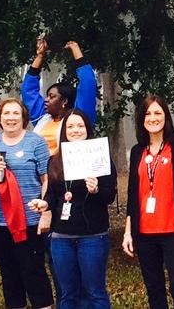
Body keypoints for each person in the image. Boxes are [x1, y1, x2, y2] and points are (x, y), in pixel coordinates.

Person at [29, 110, 117, 308]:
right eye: (70, 126)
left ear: (87, 129)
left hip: (92, 235)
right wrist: (44, 204)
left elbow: (109, 196)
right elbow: (52, 194)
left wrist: (95, 190)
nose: (75, 130)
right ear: (64, 131)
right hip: (62, 236)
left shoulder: (100, 157)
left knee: (94, 291)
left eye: (80, 126)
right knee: (68, 293)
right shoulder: (55, 160)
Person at [0, 98, 54, 309]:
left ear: (23, 117)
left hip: (29, 219)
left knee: (33, 271)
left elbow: (47, 179)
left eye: (15, 113)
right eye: (6, 113)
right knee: (8, 273)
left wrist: (46, 211)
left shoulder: (35, 142)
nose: (11, 118)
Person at [122, 95, 174, 309]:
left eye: (158, 113)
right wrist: (128, 232)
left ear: (166, 116)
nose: (153, 118)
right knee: (154, 289)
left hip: (173, 231)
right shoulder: (138, 151)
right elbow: (132, 193)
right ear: (141, 118)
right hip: (144, 232)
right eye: (148, 113)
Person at [23, 38, 98, 154]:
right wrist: (39, 57)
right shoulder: (42, 119)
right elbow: (28, 91)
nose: (46, 100)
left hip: (68, 169)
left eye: (52, 97)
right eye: (47, 96)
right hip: (42, 171)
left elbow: (88, 83)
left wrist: (76, 49)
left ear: (64, 101)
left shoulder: (79, 118)